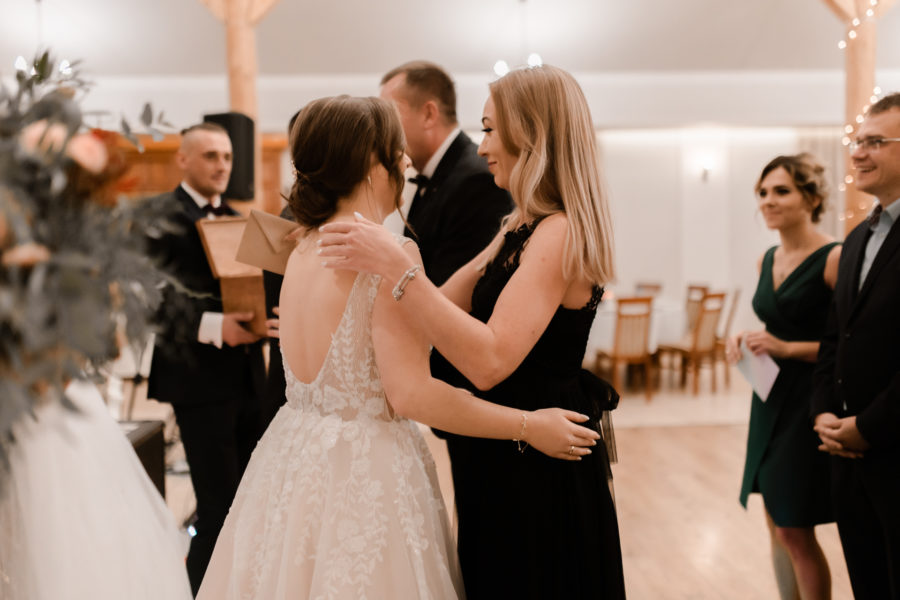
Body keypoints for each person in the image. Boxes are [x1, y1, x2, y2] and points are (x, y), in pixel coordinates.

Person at [196, 95, 599, 599]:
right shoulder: (390, 255)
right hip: (366, 471)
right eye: (397, 150)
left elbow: (430, 315)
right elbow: (413, 395)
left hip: (294, 456)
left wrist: (503, 239)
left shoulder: (303, 245)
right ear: (373, 164)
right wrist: (527, 425)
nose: (406, 161)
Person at [319, 65, 625, 599]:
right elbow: (438, 305)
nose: (481, 147)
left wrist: (397, 266)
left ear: (531, 134)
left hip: (538, 458)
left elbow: (488, 361)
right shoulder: (518, 226)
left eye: (489, 130)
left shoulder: (559, 232)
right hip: (501, 448)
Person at [146, 122, 266, 595]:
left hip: (248, 378)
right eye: (211, 156)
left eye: (228, 157)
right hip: (196, 382)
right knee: (218, 509)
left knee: (251, 502)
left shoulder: (238, 218)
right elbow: (150, 301)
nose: (222, 166)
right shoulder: (159, 217)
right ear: (183, 159)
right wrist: (217, 326)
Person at [726, 154, 841, 600]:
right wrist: (746, 339)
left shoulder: (834, 258)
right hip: (769, 397)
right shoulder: (767, 258)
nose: (768, 201)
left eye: (781, 191)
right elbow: (776, 326)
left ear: (810, 198)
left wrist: (787, 348)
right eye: (763, 192)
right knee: (775, 519)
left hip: (809, 400)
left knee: (794, 526)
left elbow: (850, 345)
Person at [811, 93, 900, 600]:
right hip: (846, 456)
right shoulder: (857, 240)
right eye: (857, 142)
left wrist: (868, 427)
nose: (858, 153)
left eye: (875, 142)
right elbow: (834, 337)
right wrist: (824, 411)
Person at [380, 61, 512, 285]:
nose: (384, 130)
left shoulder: (477, 182)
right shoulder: (436, 175)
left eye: (390, 116)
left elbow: (458, 291)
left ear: (429, 114)